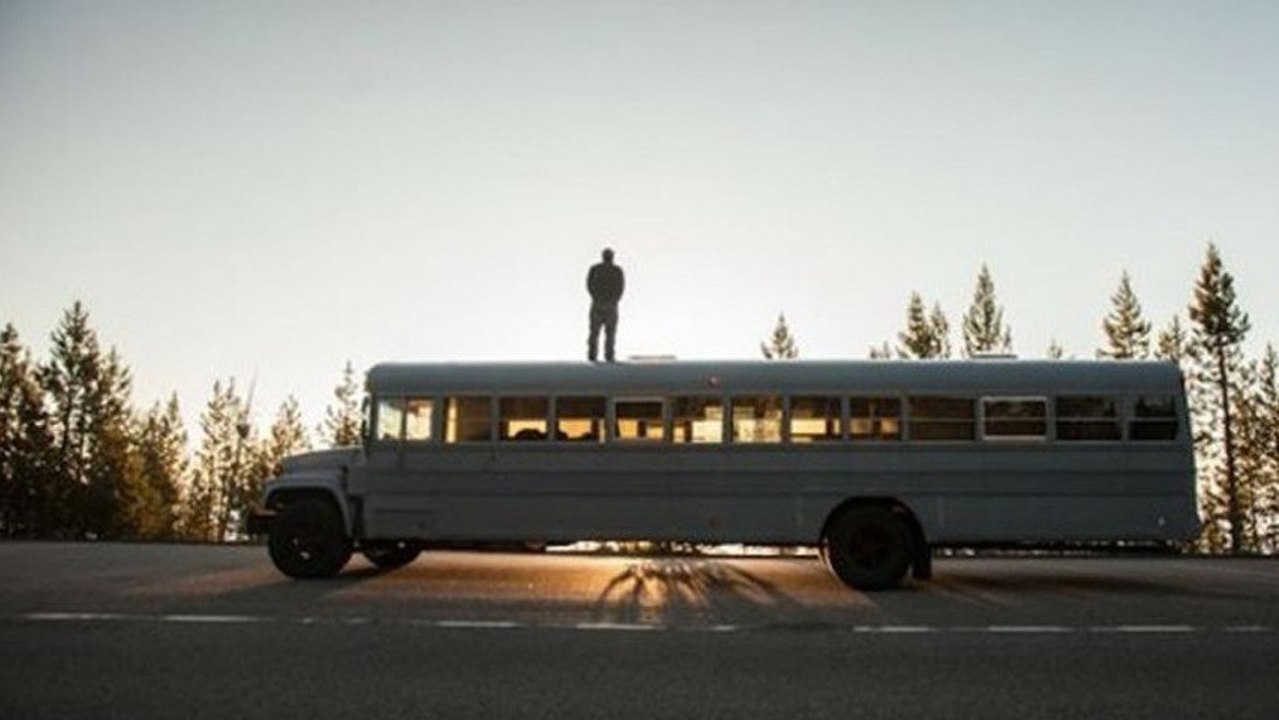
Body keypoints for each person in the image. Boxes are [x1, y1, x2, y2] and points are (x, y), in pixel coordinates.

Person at [586, 248, 625, 362]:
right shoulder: (616, 271)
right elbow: (620, 287)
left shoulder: (596, 269)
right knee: (609, 333)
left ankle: (593, 354)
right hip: (609, 304)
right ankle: (608, 355)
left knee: (595, 332)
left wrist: (596, 297)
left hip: (599, 303)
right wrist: (614, 300)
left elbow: (589, 285)